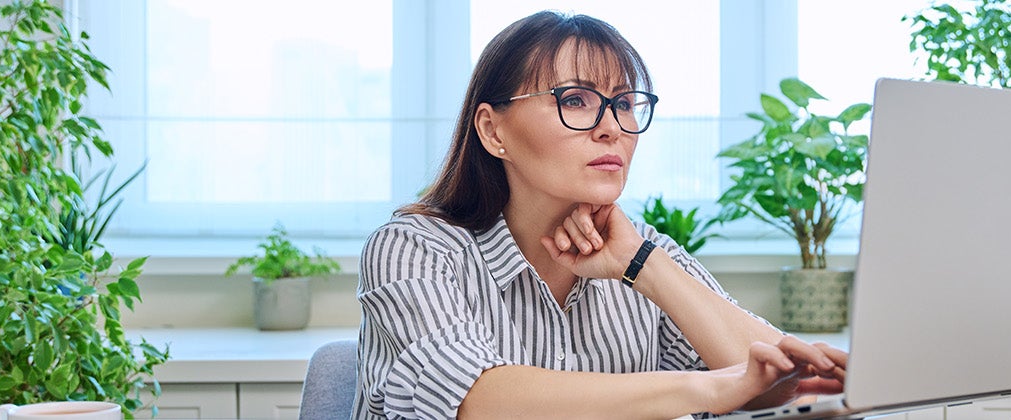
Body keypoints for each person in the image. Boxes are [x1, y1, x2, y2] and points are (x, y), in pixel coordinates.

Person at [355, 10, 848, 419]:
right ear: (492, 131)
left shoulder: (641, 249)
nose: (612, 126)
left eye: (625, 103)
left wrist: (643, 265)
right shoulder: (412, 248)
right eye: (575, 99)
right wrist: (705, 390)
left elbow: (793, 383)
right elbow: (477, 398)